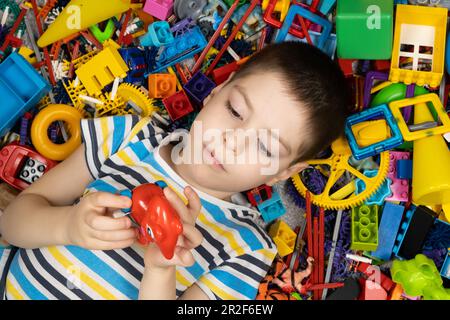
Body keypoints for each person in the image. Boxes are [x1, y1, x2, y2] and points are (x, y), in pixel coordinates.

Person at [0, 41, 349, 300]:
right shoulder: (128, 138)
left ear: (281, 174)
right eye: (236, 111)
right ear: (214, 94)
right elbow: (12, 223)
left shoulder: (247, 249)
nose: (232, 141)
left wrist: (160, 271)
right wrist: (67, 226)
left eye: (265, 147)